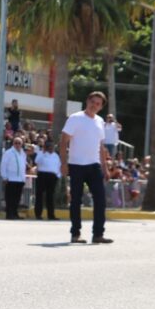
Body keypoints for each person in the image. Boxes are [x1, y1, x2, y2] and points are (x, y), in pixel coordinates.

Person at [60, 91, 112, 244]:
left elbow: (101, 146)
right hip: (76, 165)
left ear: (101, 107)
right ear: (87, 101)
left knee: (100, 200)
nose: (94, 105)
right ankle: (75, 234)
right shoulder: (75, 118)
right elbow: (63, 141)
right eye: (92, 102)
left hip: (94, 166)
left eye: (98, 103)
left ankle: (98, 234)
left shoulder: (100, 121)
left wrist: (105, 168)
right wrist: (64, 163)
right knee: (76, 200)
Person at [0, 136, 27, 220]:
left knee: (17, 198)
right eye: (16, 143)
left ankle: (15, 214)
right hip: (11, 179)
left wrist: (23, 178)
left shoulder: (23, 153)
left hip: (20, 180)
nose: (18, 145)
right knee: (10, 198)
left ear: (22, 144)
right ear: (13, 143)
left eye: (19, 143)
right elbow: (3, 165)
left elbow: (23, 166)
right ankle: (9, 214)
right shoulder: (8, 152)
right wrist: (4, 176)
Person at [34, 140, 61, 220]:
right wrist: (43, 152)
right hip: (42, 175)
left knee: (51, 196)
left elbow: (59, 166)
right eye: (49, 146)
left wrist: (58, 176)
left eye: (52, 146)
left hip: (52, 177)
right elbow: (36, 161)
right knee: (39, 195)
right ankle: (38, 214)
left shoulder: (56, 155)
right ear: (46, 147)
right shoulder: (41, 154)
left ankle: (51, 215)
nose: (51, 148)